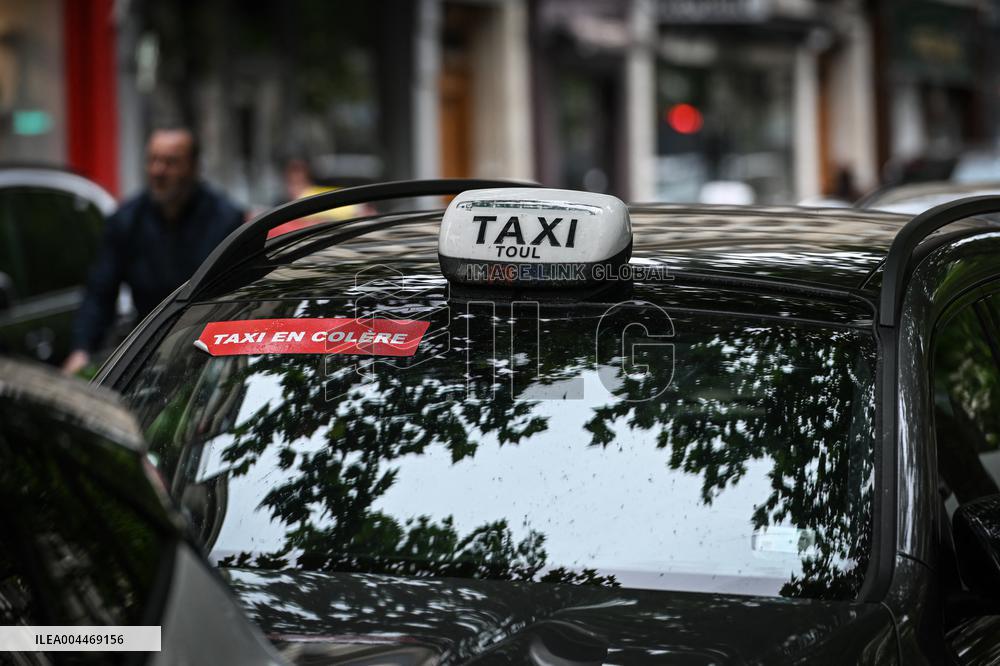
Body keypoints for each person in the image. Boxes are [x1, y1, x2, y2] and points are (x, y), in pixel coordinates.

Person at [62, 127, 244, 374]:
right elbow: (100, 292)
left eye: (171, 162)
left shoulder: (224, 219)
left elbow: (239, 297)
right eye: (153, 160)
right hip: (149, 350)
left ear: (193, 168)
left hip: (210, 349)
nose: (158, 171)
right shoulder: (126, 220)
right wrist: (82, 350)